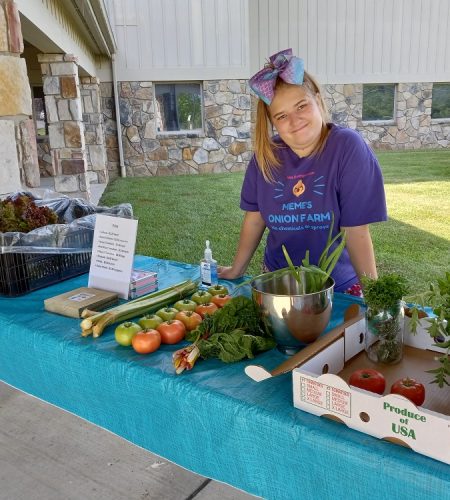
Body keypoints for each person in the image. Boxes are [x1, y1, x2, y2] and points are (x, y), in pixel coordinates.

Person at [218, 49, 387, 294]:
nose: (295, 120)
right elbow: (255, 219)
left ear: (317, 100)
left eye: (301, 106)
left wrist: (374, 293)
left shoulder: (347, 147)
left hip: (337, 288)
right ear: (272, 122)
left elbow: (356, 230)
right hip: (277, 284)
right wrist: (237, 269)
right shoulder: (265, 156)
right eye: (282, 116)